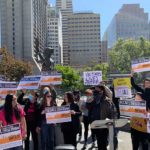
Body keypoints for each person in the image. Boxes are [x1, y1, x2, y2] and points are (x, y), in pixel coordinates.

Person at [87, 85, 115, 150]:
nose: (95, 91)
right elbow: (88, 108)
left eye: (97, 89)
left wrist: (110, 120)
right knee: (99, 142)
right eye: (94, 90)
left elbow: (112, 112)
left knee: (103, 143)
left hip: (104, 124)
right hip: (95, 124)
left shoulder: (106, 100)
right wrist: (88, 102)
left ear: (102, 91)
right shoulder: (93, 99)